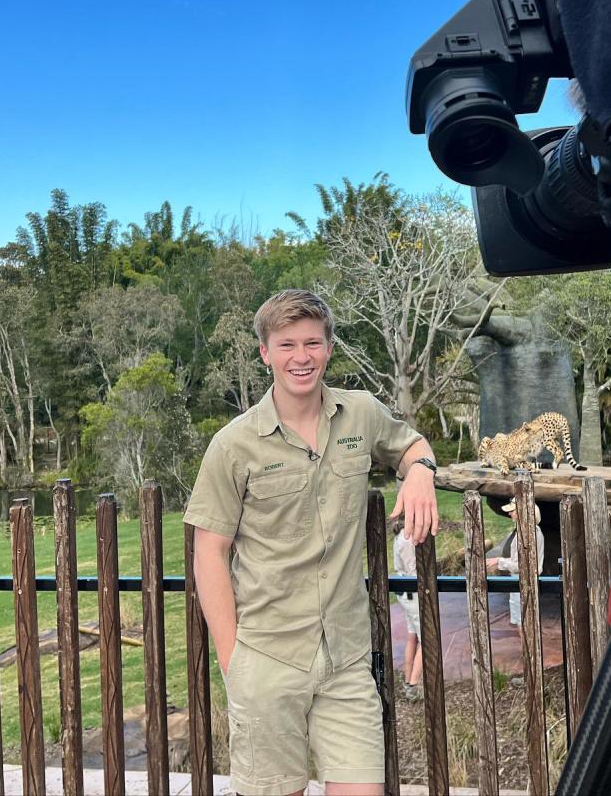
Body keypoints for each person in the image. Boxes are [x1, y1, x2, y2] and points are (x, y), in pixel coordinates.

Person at [184, 289, 439, 796]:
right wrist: (235, 662)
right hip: (268, 658)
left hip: (345, 659)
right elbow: (208, 552)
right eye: (286, 345)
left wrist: (421, 473)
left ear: (328, 347)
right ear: (265, 352)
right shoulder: (233, 445)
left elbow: (411, 443)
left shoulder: (361, 413)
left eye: (312, 343)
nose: (301, 357)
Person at [485, 500, 545, 629]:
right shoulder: (530, 531)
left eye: (512, 511)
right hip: (521, 583)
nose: (510, 514)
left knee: (523, 624)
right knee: (523, 622)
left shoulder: (528, 534)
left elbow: (524, 566)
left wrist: (499, 561)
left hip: (523, 583)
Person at [391, 517, 422, 699]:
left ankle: (409, 678)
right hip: (413, 593)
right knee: (427, 639)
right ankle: (414, 684)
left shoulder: (400, 535)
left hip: (405, 593)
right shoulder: (409, 538)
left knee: (413, 636)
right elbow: (413, 570)